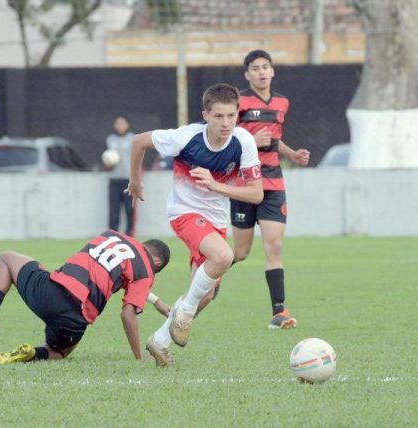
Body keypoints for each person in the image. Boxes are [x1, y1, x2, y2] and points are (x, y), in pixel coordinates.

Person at [126, 83, 263, 367]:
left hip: (214, 219)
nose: (225, 123)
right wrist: (136, 181)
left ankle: (160, 341)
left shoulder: (244, 142)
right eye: (218, 116)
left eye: (231, 116)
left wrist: (215, 186)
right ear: (206, 115)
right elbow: (139, 141)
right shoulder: (185, 137)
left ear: (238, 114)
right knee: (224, 256)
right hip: (184, 212)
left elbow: (256, 193)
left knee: (206, 294)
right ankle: (184, 311)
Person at [0, 230, 171, 364]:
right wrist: (139, 356)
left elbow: (116, 270)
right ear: (157, 263)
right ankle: (34, 354)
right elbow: (128, 314)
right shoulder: (146, 272)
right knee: (59, 352)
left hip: (50, 292)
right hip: (75, 320)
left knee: (5, 258)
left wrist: (155, 300)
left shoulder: (112, 235)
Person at [228, 49, 310, 329]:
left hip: (273, 183)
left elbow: (275, 140)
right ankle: (208, 277)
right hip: (245, 183)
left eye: (266, 67)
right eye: (255, 68)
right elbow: (223, 137)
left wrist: (292, 154)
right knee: (239, 253)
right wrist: (251, 137)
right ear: (247, 74)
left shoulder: (282, 102)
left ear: (272, 71)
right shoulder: (237, 101)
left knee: (274, 246)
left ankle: (279, 312)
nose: (262, 72)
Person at [106, 116, 136, 236]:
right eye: (117, 123)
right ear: (114, 126)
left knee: (130, 210)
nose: (120, 126)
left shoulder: (133, 138)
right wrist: (108, 164)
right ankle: (112, 236)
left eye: (122, 123)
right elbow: (105, 160)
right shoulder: (110, 139)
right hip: (114, 180)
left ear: (127, 125)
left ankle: (130, 235)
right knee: (114, 211)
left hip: (129, 181)